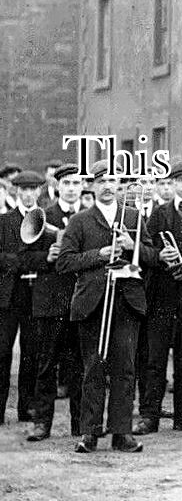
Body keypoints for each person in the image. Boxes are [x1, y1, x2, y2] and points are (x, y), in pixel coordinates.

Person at [57, 161, 158, 453]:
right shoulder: (80, 220)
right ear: (93, 185)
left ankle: (122, 432)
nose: (107, 186)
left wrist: (131, 245)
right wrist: (100, 254)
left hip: (126, 301)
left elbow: (152, 257)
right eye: (101, 181)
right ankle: (90, 432)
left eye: (112, 180)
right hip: (93, 303)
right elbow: (65, 261)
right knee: (94, 368)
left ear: (119, 185)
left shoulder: (134, 216)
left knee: (125, 369)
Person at [133, 160, 182, 436]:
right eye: (178, 180)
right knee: (155, 358)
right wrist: (159, 257)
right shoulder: (158, 214)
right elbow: (145, 250)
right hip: (162, 296)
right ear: (173, 184)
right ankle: (149, 416)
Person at [22, 164, 84, 441]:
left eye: (76, 183)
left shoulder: (89, 217)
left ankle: (80, 424)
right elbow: (24, 258)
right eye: (66, 183)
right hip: (49, 301)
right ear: (58, 186)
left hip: (81, 301)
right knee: (45, 364)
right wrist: (47, 258)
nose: (71, 188)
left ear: (83, 187)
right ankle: (42, 422)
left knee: (79, 365)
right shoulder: (44, 215)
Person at [0, 170, 45, 425]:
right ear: (16, 191)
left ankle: (26, 407)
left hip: (34, 295)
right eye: (24, 189)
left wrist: (31, 261)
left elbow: (51, 257)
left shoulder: (43, 218)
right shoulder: (4, 221)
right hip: (8, 297)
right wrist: (21, 262)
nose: (28, 194)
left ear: (39, 191)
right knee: (2, 352)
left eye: (33, 189)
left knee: (32, 353)